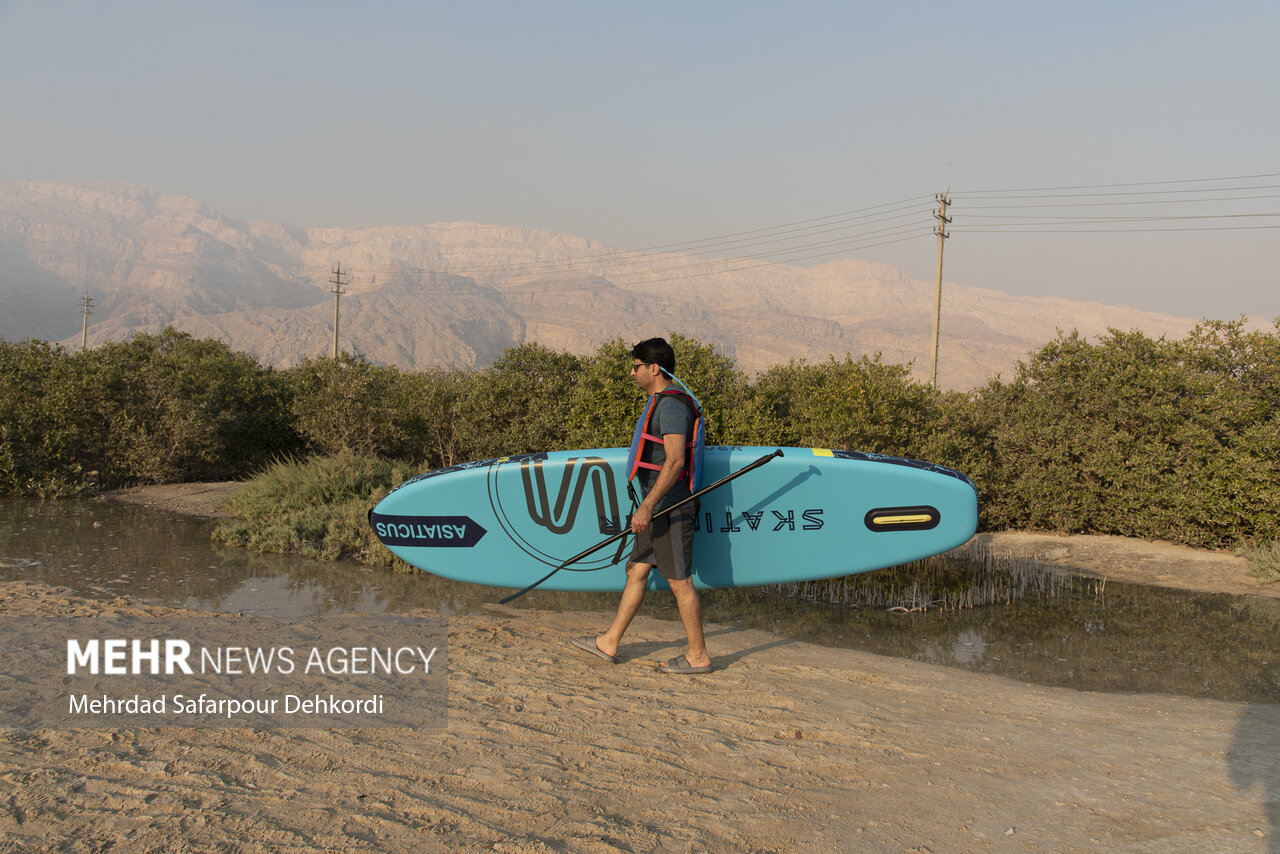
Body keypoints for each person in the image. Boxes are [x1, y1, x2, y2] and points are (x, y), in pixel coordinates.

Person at [569, 337, 712, 674]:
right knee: (636, 570)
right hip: (656, 508)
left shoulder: (672, 406)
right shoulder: (660, 402)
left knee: (680, 582)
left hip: (670, 508)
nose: (631, 373)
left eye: (635, 367)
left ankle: (698, 656)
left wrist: (647, 507)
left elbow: (675, 462)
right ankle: (609, 642)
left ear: (654, 368)